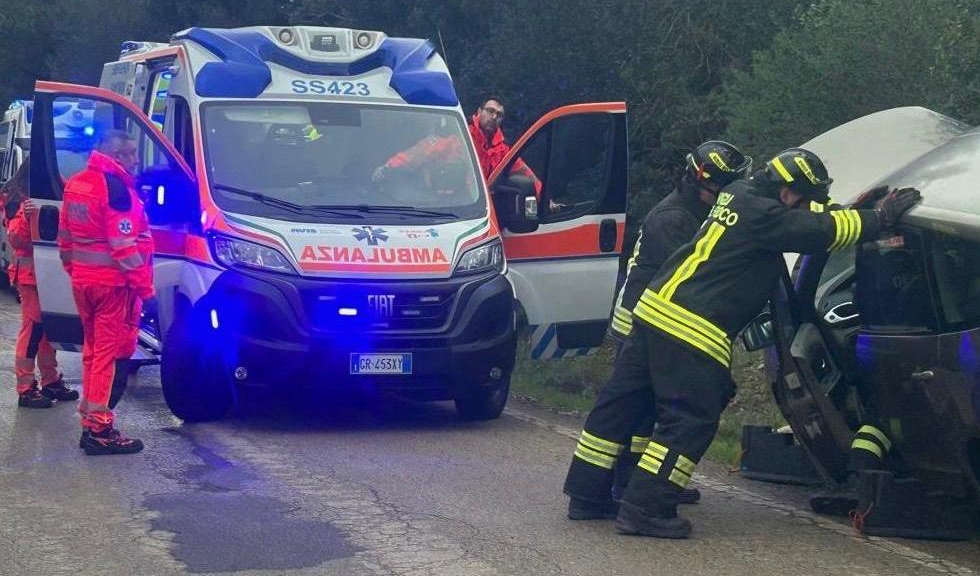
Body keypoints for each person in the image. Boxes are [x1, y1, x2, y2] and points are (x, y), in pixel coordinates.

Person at [562, 147, 921, 538]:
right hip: (690, 327)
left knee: (618, 409)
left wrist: (855, 209)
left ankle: (587, 496)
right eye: (805, 199)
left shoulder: (739, 193)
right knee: (689, 421)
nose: (806, 207)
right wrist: (878, 219)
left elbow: (809, 217)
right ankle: (646, 508)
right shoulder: (765, 216)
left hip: (652, 315)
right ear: (788, 192)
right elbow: (818, 231)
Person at [579, 140, 751, 516]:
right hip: (639, 323)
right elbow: (693, 277)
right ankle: (612, 489)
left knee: (646, 411)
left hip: (653, 323)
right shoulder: (672, 220)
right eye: (718, 190)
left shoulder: (694, 213)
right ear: (699, 181)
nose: (723, 199)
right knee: (633, 411)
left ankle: (637, 481)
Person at [59, 130, 153, 455]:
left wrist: (75, 271)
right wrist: (146, 291)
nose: (136, 160)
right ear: (116, 155)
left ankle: (90, 416)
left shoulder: (77, 183)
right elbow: (124, 247)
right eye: (130, 153)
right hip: (112, 286)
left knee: (92, 351)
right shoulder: (117, 189)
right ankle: (99, 428)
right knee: (107, 357)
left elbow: (65, 236)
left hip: (83, 281)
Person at [4, 161, 78, 408]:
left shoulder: (52, 188)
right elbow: (17, 240)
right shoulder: (17, 200)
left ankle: (50, 380)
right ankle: (25, 387)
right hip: (29, 276)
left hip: (49, 273)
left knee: (48, 331)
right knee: (33, 329)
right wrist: (27, 218)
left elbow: (68, 194)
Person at [372, 96, 543, 198]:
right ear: (479, 111)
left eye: (498, 114)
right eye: (490, 111)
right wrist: (388, 167)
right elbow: (419, 153)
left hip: (484, 207)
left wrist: (544, 198)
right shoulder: (459, 136)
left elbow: (525, 173)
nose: (493, 117)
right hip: (451, 202)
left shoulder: (503, 149)